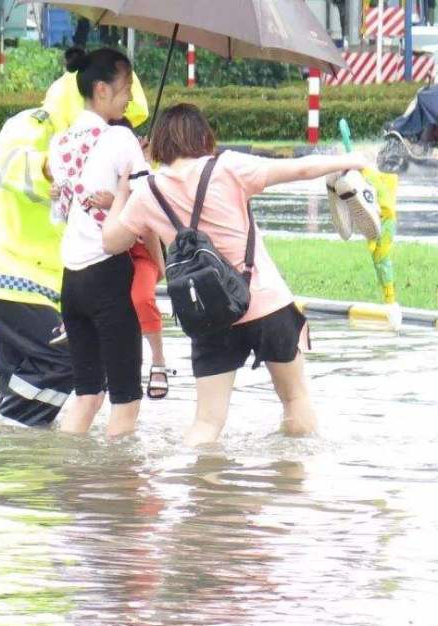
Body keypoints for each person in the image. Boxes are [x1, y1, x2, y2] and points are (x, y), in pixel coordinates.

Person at [102, 104, 369, 446]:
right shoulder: (227, 167)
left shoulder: (148, 193)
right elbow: (299, 171)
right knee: (295, 400)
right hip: (266, 304)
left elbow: (112, 242)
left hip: (208, 317)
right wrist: (352, 161)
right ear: (202, 135)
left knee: (207, 423)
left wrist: (123, 189)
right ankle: (297, 491)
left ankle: (197, 489)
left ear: (162, 143)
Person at [0, 51, 149, 428]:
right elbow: (15, 168)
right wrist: (54, 165)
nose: (118, 121)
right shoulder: (34, 126)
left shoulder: (101, 143)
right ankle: (16, 431)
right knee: (68, 355)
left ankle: (19, 463)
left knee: (23, 375)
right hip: (9, 271)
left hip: (47, 278)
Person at [48, 48, 160, 437]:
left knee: (88, 396)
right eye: (126, 87)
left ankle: (69, 482)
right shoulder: (119, 139)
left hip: (71, 281)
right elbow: (149, 207)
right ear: (101, 89)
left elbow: (61, 212)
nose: (130, 96)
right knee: (125, 403)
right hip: (110, 278)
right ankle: (117, 493)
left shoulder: (59, 144)